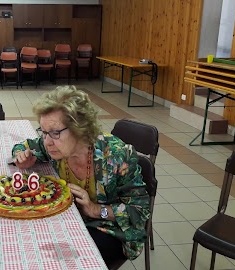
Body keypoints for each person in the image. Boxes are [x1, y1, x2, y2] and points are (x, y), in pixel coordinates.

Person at [12, 86, 150, 267]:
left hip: (106, 229)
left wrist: (94, 209)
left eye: (54, 133)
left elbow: (139, 212)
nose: (47, 141)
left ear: (79, 128)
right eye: (44, 132)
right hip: (68, 220)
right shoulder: (53, 147)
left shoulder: (117, 155)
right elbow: (23, 146)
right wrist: (23, 158)